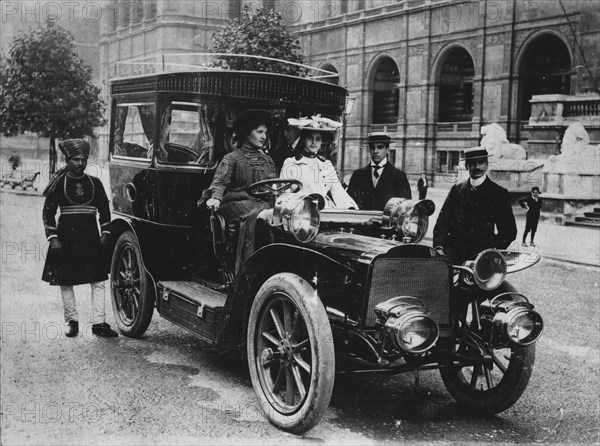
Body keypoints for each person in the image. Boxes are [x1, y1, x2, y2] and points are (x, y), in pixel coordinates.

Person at [41, 139, 118, 338]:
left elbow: (104, 211)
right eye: (75, 159)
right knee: (66, 281)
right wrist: (53, 238)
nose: (80, 164)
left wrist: (105, 233)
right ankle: (71, 321)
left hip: (91, 238)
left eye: (83, 160)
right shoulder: (59, 183)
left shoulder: (95, 183)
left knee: (99, 280)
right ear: (67, 160)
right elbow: (48, 212)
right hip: (65, 239)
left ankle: (99, 324)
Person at [204, 109, 278, 266]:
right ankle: (245, 270)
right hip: (236, 203)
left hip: (263, 203)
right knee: (257, 213)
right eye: (259, 132)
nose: (264, 137)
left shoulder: (268, 160)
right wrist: (216, 198)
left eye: (265, 132)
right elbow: (219, 182)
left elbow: (274, 185)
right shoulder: (231, 158)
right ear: (246, 133)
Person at [433, 147, 517, 264]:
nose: (477, 167)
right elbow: (442, 224)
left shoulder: (498, 193)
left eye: (481, 162)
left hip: (482, 259)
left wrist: (491, 250)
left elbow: (509, 231)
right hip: (454, 257)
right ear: (466, 166)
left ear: (487, 165)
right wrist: (439, 248)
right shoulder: (456, 191)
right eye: (472, 163)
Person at [280, 116, 357, 209]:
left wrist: (350, 208)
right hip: (301, 212)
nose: (314, 142)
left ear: (321, 142)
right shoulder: (291, 163)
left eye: (318, 139)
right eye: (310, 138)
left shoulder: (326, 165)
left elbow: (338, 192)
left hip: (325, 210)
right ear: (303, 139)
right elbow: (284, 194)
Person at [347, 132, 411, 211]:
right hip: (362, 222)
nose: (375, 151)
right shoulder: (358, 175)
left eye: (380, 147)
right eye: (372, 147)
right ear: (369, 150)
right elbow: (349, 203)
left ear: (387, 150)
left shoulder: (399, 175)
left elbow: (406, 207)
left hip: (386, 222)